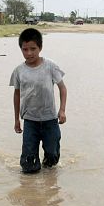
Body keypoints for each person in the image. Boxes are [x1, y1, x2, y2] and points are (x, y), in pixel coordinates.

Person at [10, 28, 68, 173]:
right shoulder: (19, 71)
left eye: (33, 49)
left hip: (50, 119)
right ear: (21, 49)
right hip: (30, 120)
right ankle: (30, 188)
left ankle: (49, 180)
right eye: (25, 49)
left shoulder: (50, 66)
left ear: (40, 48)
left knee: (52, 156)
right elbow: (17, 95)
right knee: (28, 163)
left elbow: (63, 88)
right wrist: (16, 119)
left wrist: (62, 110)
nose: (29, 53)